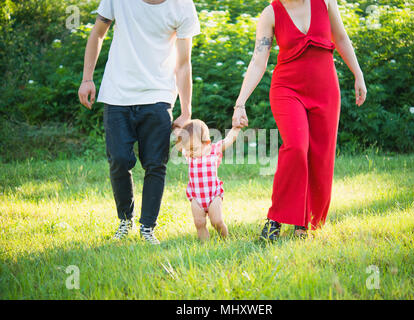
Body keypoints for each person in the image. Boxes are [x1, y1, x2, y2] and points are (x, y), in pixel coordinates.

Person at [232, 0, 367, 240]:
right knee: (296, 146)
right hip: (287, 89)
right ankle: (275, 219)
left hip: (325, 90)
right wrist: (240, 102)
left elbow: (342, 38)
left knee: (320, 156)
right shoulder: (271, 13)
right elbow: (258, 60)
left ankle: (305, 223)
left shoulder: (325, 2)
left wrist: (358, 74)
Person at [78, 0, 200, 244]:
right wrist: (87, 78)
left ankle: (147, 227)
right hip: (117, 93)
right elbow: (98, 32)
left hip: (158, 94)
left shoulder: (182, 5)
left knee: (156, 164)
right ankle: (125, 220)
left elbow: (184, 63)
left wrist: (186, 111)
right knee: (120, 160)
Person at [174, 120, 241, 241]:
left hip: (213, 195)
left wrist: (236, 128)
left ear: (206, 143)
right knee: (199, 223)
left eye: (193, 149)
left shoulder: (214, 150)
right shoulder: (189, 153)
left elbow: (229, 140)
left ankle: (226, 240)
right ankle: (205, 245)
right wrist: (174, 126)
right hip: (196, 196)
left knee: (217, 221)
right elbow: (178, 139)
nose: (189, 153)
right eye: (187, 149)